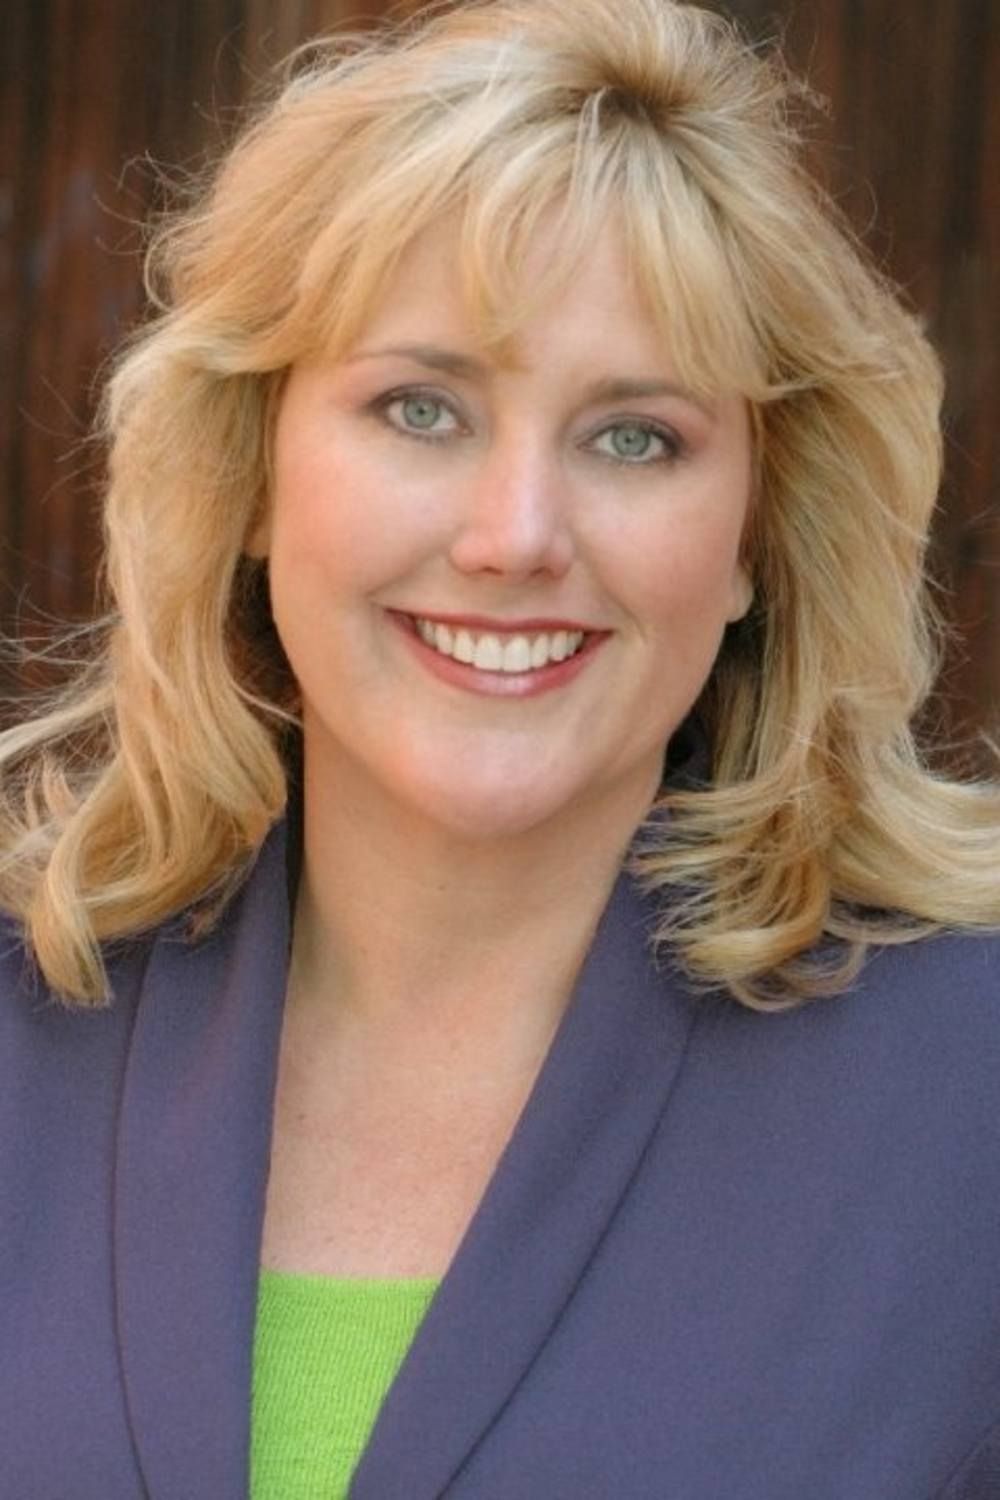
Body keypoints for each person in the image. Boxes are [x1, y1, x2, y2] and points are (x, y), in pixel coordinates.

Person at [1, 0, 998, 1495]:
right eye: (422, 408)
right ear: (255, 471)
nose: (515, 536)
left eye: (634, 437)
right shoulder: (28, 1023)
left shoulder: (967, 1094)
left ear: (752, 537)